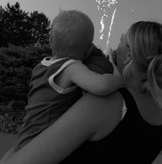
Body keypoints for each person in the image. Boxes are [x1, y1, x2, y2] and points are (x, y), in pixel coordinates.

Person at [1, 20, 162, 164]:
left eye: (122, 39)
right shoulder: (161, 122)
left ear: (129, 55)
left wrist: (12, 152)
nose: (117, 44)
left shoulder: (107, 103)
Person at [4, 10, 123, 155]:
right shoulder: (71, 67)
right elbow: (101, 86)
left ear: (50, 41)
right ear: (88, 50)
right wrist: (117, 78)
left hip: (26, 136)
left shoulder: (41, 66)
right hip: (41, 142)